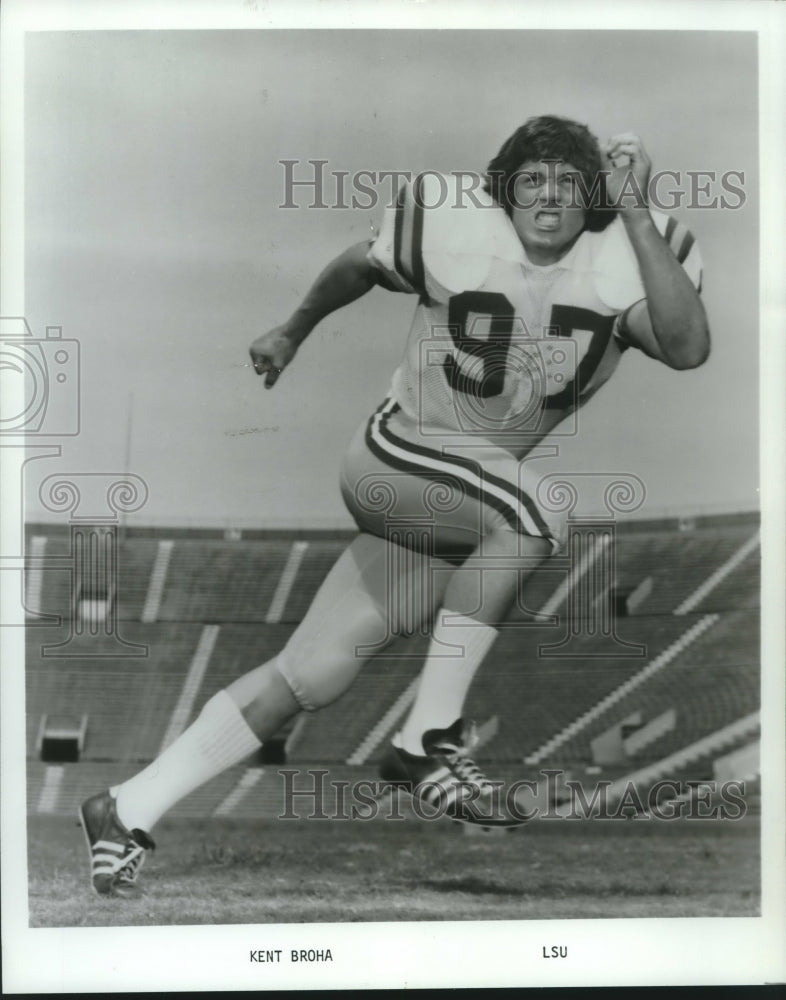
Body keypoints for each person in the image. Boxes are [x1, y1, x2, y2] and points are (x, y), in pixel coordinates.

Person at [79, 116, 708, 896]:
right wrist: (293, 329)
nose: (550, 198)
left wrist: (638, 212)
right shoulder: (454, 229)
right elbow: (361, 264)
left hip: (462, 501)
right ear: (505, 193)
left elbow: (686, 345)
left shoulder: (627, 257)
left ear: (596, 198)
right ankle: (429, 736)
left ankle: (125, 806)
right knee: (538, 511)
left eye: (571, 185)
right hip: (399, 456)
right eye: (533, 181)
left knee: (309, 675)